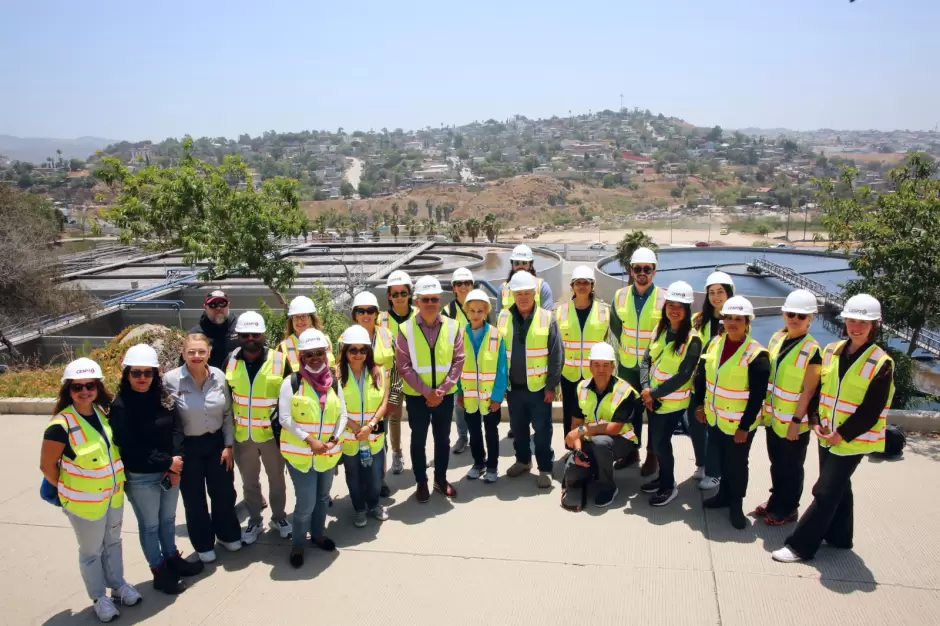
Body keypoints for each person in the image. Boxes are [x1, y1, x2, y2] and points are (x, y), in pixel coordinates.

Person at [773, 294, 895, 563]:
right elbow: (819, 391)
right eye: (852, 320)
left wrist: (842, 434)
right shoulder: (832, 351)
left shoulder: (881, 363)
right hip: (827, 434)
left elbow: (871, 410)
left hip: (852, 441)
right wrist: (815, 421)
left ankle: (800, 546)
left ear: (874, 325)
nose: (856, 327)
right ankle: (840, 536)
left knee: (825, 491)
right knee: (840, 486)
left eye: (863, 322)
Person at [40, 358, 142, 623]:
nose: (84, 391)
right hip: (84, 504)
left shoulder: (102, 413)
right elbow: (47, 466)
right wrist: (67, 490)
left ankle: (118, 586)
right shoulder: (60, 425)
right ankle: (99, 598)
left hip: (113, 496)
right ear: (68, 390)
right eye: (77, 387)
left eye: (90, 385)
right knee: (91, 552)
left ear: (97, 387)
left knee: (113, 543)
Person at [110, 344, 203, 596]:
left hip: (169, 470)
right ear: (127, 374)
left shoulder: (163, 398)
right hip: (141, 476)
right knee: (150, 526)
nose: (142, 378)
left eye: (147, 372)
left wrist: (176, 462)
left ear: (155, 374)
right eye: (136, 372)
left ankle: (172, 558)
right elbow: (131, 446)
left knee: (168, 520)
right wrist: (168, 463)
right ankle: (159, 571)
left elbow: (177, 430)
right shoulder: (121, 406)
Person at [693, 296, 770, 529]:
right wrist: (700, 405)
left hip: (739, 425)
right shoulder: (714, 344)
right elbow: (702, 377)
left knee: (737, 466)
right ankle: (723, 496)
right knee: (721, 461)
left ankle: (736, 505)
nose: (732, 323)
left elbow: (757, 397)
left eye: (738, 319)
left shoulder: (757, 355)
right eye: (728, 318)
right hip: (715, 418)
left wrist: (744, 428)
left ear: (747, 322)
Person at [164, 335, 243, 563]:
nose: (196, 356)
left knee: (223, 493)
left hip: (217, 444)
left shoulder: (218, 376)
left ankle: (227, 534)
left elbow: (227, 413)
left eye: (201, 351)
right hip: (188, 447)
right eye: (191, 352)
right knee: (194, 499)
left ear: (209, 353)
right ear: (183, 353)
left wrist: (228, 445)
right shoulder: (170, 380)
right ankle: (203, 543)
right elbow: (165, 419)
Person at [277, 329, 348, 568]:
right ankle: (298, 544)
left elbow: (343, 414)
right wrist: (310, 440)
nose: (315, 358)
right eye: (309, 354)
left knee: (322, 498)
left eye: (319, 352)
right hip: (300, 456)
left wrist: (334, 439)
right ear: (301, 356)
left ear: (326, 353)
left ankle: (317, 534)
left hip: (327, 454)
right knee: (306, 502)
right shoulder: (292, 382)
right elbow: (285, 418)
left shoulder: (333, 382)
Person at [755, 290, 821, 526]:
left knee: (791, 467)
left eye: (801, 316)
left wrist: (796, 422)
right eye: (791, 314)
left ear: (810, 319)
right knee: (777, 464)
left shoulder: (812, 350)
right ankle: (775, 500)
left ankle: (789, 508)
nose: (795, 319)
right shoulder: (777, 339)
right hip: (773, 418)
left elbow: (808, 391)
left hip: (794, 422)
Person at [396, 275, 465, 502]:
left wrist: (441, 391)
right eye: (425, 299)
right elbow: (403, 366)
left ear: (440, 300)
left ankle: (440, 479)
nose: (430, 303)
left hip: (444, 396)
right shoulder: (405, 329)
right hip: (417, 397)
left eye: (434, 299)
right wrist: (427, 392)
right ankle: (421, 482)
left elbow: (458, 360)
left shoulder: (453, 326)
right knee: (418, 441)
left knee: (443, 440)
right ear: (417, 301)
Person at [224, 311, 291, 543]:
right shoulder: (230, 360)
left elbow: (290, 396)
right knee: (249, 483)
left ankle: (279, 517)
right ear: (238, 336)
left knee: (277, 481)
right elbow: (226, 400)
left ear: (263, 334)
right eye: (245, 335)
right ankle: (255, 521)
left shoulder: (280, 360)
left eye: (255, 334)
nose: (250, 339)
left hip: (272, 435)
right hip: (243, 435)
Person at [498, 270, 563, 489]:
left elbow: (556, 354)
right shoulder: (504, 317)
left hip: (539, 388)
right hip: (514, 387)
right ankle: (523, 461)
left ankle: (545, 468)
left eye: (527, 293)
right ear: (513, 295)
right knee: (518, 429)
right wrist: (501, 385)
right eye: (519, 294)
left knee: (542, 430)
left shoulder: (547, 318)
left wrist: (551, 385)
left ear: (534, 294)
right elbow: (498, 354)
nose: (523, 297)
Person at [639, 281, 702, 507]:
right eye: (671, 305)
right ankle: (663, 478)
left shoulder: (692, 340)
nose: (674, 310)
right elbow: (646, 360)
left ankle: (668, 486)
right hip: (653, 399)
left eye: (680, 306)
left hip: (672, 403)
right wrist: (646, 388)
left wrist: (653, 394)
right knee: (658, 443)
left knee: (661, 444)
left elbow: (684, 375)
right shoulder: (660, 329)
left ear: (687, 309)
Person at [561, 343, 641, 510]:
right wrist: (578, 451)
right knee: (572, 473)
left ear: (613, 367)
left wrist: (582, 430)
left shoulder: (625, 391)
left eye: (606, 365)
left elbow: (614, 428)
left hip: (620, 441)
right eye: (596, 364)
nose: (601, 369)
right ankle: (596, 468)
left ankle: (608, 487)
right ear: (590, 366)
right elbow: (576, 422)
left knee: (601, 443)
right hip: (591, 440)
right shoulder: (581, 387)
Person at [611, 247, 665, 476]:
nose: (642, 273)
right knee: (628, 412)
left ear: (654, 271)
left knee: (654, 413)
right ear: (631, 270)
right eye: (638, 268)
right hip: (627, 366)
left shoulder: (664, 298)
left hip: (652, 368)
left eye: (647, 269)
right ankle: (631, 452)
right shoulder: (620, 296)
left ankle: (652, 456)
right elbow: (616, 327)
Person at [337, 325, 390, 527]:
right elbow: (335, 406)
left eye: (363, 350)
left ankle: (374, 504)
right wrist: (353, 426)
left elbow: (384, 403)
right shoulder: (336, 375)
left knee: (376, 476)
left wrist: (370, 425)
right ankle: (359, 508)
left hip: (373, 436)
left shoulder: (379, 372)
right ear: (345, 351)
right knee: (354, 476)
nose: (358, 354)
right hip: (350, 437)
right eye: (353, 350)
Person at [556, 265, 610, 454]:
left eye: (585, 283)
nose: (581, 286)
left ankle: (590, 449)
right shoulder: (561, 311)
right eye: (578, 283)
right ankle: (572, 450)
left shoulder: (604, 311)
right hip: (569, 373)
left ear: (592, 286)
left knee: (592, 413)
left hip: (593, 374)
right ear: (572, 286)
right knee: (570, 412)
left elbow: (606, 341)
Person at [456, 289, 508, 482]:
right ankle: (479, 463)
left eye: (480, 311)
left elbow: (502, 369)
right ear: (467, 312)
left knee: (491, 432)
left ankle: (492, 466)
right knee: (474, 432)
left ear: (486, 312)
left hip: (489, 397)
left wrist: (497, 397)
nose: (476, 314)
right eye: (472, 311)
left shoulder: (496, 335)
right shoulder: (460, 335)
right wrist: (460, 392)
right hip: (469, 396)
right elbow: (457, 366)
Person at [689, 271, 734, 491]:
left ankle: (715, 472)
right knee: (697, 427)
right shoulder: (698, 320)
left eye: (720, 292)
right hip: (697, 382)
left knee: (715, 430)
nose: (716, 297)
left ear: (729, 294)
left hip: (720, 385)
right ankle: (702, 464)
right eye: (712, 292)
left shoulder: (735, 320)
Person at [349, 291, 396, 497]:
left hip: (380, 401)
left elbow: (396, 368)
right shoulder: (345, 338)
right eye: (361, 311)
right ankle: (362, 482)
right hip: (356, 402)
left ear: (377, 313)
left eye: (370, 311)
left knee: (380, 441)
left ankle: (380, 480)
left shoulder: (387, 335)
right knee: (357, 441)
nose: (366, 315)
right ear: (355, 314)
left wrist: (393, 397)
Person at [379, 270, 416, 475]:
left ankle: (418, 454)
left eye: (403, 293)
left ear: (410, 294)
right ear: (389, 296)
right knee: (393, 416)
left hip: (416, 374)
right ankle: (396, 453)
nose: (399, 297)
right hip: (392, 377)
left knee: (418, 417)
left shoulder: (419, 314)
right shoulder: (381, 319)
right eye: (395, 294)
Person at [444, 267, 475, 454]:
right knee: (459, 403)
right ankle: (463, 437)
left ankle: (477, 436)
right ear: (453, 287)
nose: (464, 286)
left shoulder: (480, 305)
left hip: (479, 364)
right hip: (458, 365)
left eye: (467, 283)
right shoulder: (448, 311)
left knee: (478, 401)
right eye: (459, 283)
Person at [278, 295, 335, 370]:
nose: (299, 321)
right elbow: (276, 371)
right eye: (295, 317)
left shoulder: (325, 340)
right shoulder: (283, 346)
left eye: (304, 316)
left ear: (312, 318)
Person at [188, 290, 239, 370]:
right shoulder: (195, 334)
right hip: (209, 377)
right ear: (205, 307)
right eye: (213, 304)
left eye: (222, 303)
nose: (218, 308)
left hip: (237, 375)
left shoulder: (240, 327)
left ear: (228, 305)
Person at [499, 244, 555, 311]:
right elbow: (499, 315)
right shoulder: (503, 289)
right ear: (512, 265)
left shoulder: (542, 288)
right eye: (517, 263)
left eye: (524, 263)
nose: (520, 266)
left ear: (531, 265)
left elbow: (546, 315)